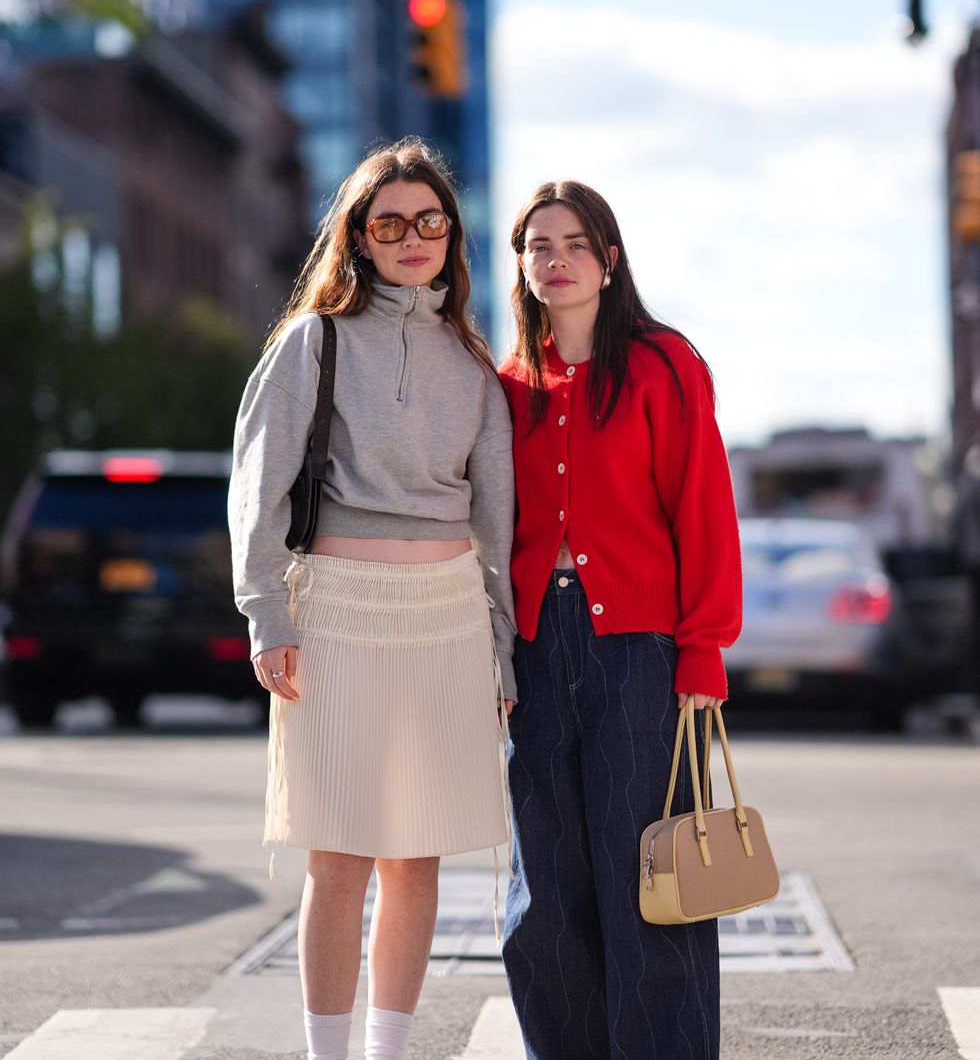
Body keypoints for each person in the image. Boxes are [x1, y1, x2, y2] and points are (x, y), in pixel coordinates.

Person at [228, 138, 517, 1060]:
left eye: (430, 221)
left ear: (452, 236)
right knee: (340, 856)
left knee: (416, 858)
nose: (412, 237)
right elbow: (257, 486)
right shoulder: (314, 341)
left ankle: (389, 1054)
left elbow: (499, 534)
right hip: (337, 612)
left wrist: (503, 650)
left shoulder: (476, 366)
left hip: (447, 622)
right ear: (357, 237)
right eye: (388, 222)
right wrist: (267, 613)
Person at [497, 180, 742, 1060]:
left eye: (572, 243)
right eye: (536, 246)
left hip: (639, 651)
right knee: (543, 898)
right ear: (522, 267)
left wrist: (703, 652)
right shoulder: (506, 383)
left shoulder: (665, 364)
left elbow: (703, 511)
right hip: (533, 651)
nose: (554, 259)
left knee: (651, 885)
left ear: (608, 259)